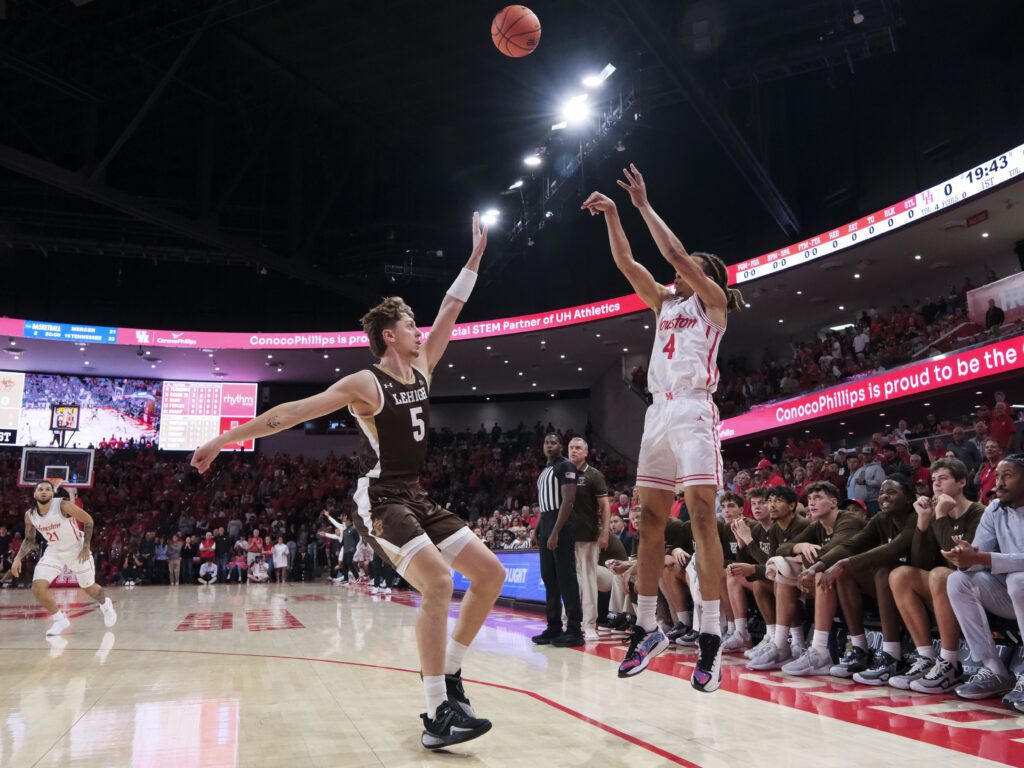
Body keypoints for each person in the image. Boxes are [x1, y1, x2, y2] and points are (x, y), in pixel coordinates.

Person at [192, 213, 503, 750]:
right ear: (389, 334)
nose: (419, 330)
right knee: (438, 583)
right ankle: (435, 714)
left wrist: (474, 258)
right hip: (381, 497)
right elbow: (291, 411)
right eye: (410, 324)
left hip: (417, 494)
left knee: (490, 574)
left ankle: (451, 675)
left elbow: (453, 307)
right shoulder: (367, 380)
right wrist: (224, 439)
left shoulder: (424, 365)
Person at [582, 164, 743, 692]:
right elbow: (627, 262)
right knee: (649, 523)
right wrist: (611, 215)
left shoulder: (713, 306)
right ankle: (647, 626)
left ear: (707, 276)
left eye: (692, 268)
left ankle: (713, 635)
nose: (679, 271)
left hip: (695, 411)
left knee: (700, 516)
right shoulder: (666, 304)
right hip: (657, 413)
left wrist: (643, 204)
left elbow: (674, 255)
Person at [885, 459, 985, 693]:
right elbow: (921, 562)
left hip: (976, 584)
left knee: (941, 574)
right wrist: (923, 521)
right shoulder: (937, 514)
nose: (936, 485)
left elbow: (964, 562)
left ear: (961, 482)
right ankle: (927, 658)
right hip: (944, 586)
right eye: (933, 480)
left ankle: (950, 663)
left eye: (943, 479)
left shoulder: (978, 512)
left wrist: (940, 517)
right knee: (900, 574)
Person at [944, 454, 1024, 709]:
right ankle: (995, 671)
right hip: (1015, 596)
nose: (998, 483)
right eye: (998, 476)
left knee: (1018, 581)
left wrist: (983, 558)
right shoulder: (994, 508)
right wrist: (966, 558)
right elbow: (980, 556)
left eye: (1007, 476)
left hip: (1018, 587)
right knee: (957, 581)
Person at [10, 481, 116, 636]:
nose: (44, 491)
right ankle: (60, 620)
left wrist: (86, 547)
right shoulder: (29, 515)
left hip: (76, 548)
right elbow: (29, 540)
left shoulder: (63, 505)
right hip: (54, 551)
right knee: (37, 587)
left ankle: (105, 605)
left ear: (53, 493)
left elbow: (88, 520)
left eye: (48, 489)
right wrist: (18, 558)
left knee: (89, 588)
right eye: (40, 489)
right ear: (35, 494)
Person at [530, 433, 582, 647]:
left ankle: (574, 630)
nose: (549, 445)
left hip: (562, 524)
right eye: (546, 442)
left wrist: (555, 531)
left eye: (553, 443)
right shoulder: (544, 471)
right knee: (549, 578)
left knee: (566, 578)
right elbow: (544, 505)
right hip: (547, 522)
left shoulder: (566, 466)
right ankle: (553, 626)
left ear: (560, 446)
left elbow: (568, 502)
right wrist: (538, 529)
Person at [567, 436, 611, 641]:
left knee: (588, 581)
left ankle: (590, 624)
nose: (573, 451)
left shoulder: (594, 475)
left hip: (588, 536)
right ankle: (569, 622)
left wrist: (605, 532)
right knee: (569, 582)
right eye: (571, 448)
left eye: (578, 448)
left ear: (586, 452)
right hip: (567, 537)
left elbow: (605, 506)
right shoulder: (563, 473)